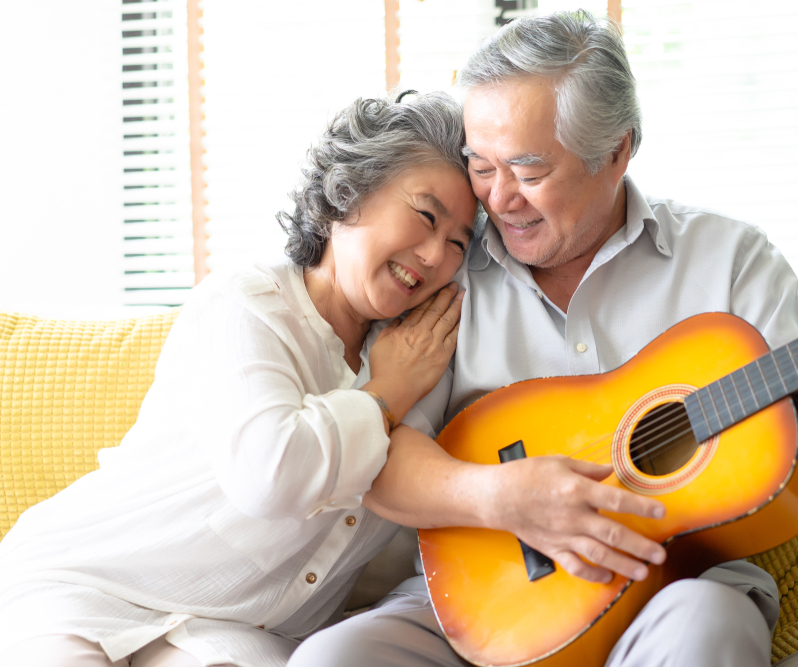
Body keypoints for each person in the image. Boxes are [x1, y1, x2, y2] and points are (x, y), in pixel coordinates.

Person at [289, 11, 798, 667]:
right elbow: (383, 455)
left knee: (710, 626)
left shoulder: (729, 259)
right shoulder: (446, 265)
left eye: (529, 171)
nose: (498, 199)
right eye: (481, 165)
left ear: (616, 150)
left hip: (677, 594)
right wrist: (500, 497)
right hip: (485, 599)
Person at [0, 91, 477, 667]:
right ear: (347, 193)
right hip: (85, 586)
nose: (433, 254)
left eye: (458, 242)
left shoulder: (427, 356)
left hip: (234, 633)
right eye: (425, 216)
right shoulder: (247, 303)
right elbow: (270, 474)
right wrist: (385, 393)